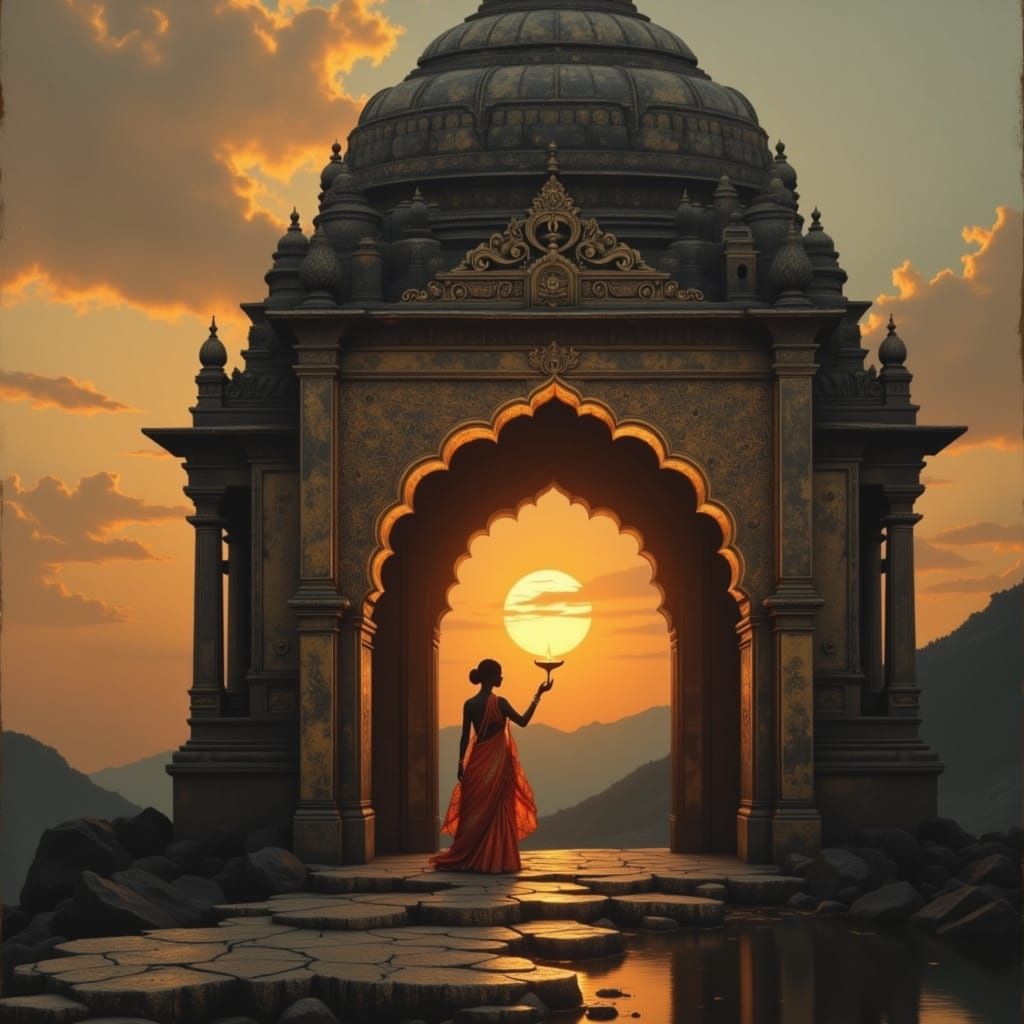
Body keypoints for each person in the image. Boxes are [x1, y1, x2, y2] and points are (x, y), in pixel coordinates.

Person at [431, 658, 553, 873]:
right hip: (498, 765)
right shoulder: (501, 703)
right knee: (496, 809)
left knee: (474, 811)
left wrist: (460, 763)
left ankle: (470, 855)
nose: (502, 677)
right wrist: (538, 695)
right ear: (490, 677)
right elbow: (523, 721)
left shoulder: (469, 704)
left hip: (477, 762)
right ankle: (495, 858)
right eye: (499, 674)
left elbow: (464, 736)